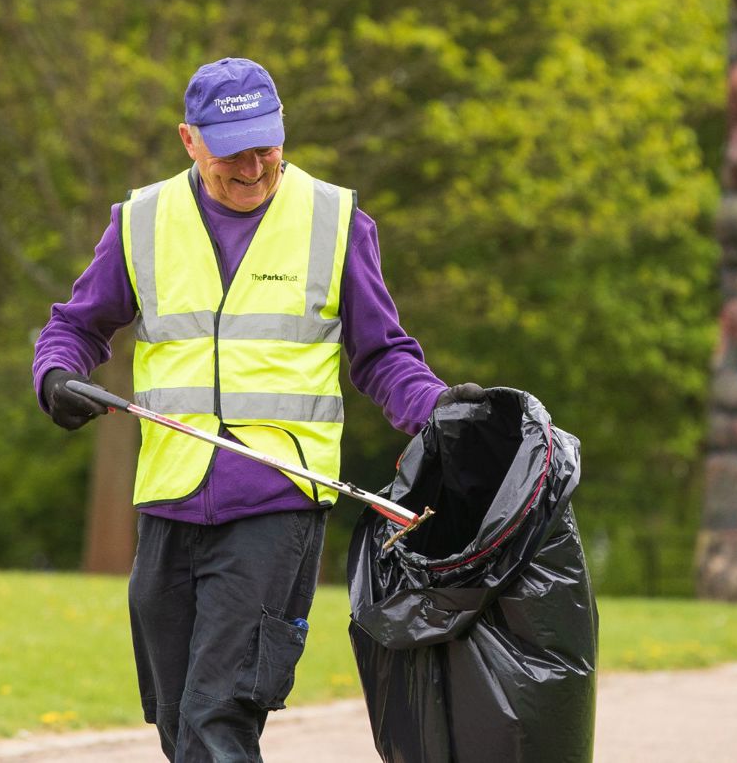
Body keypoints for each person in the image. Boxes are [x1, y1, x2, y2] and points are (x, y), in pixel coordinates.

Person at [33, 56, 484, 762]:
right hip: (169, 498)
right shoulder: (141, 220)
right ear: (189, 141)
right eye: (231, 153)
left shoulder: (335, 221)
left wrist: (435, 407)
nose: (252, 169)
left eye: (266, 150)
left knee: (218, 716)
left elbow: (382, 353)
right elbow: (75, 325)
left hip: (277, 500)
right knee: (179, 721)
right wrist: (56, 374)